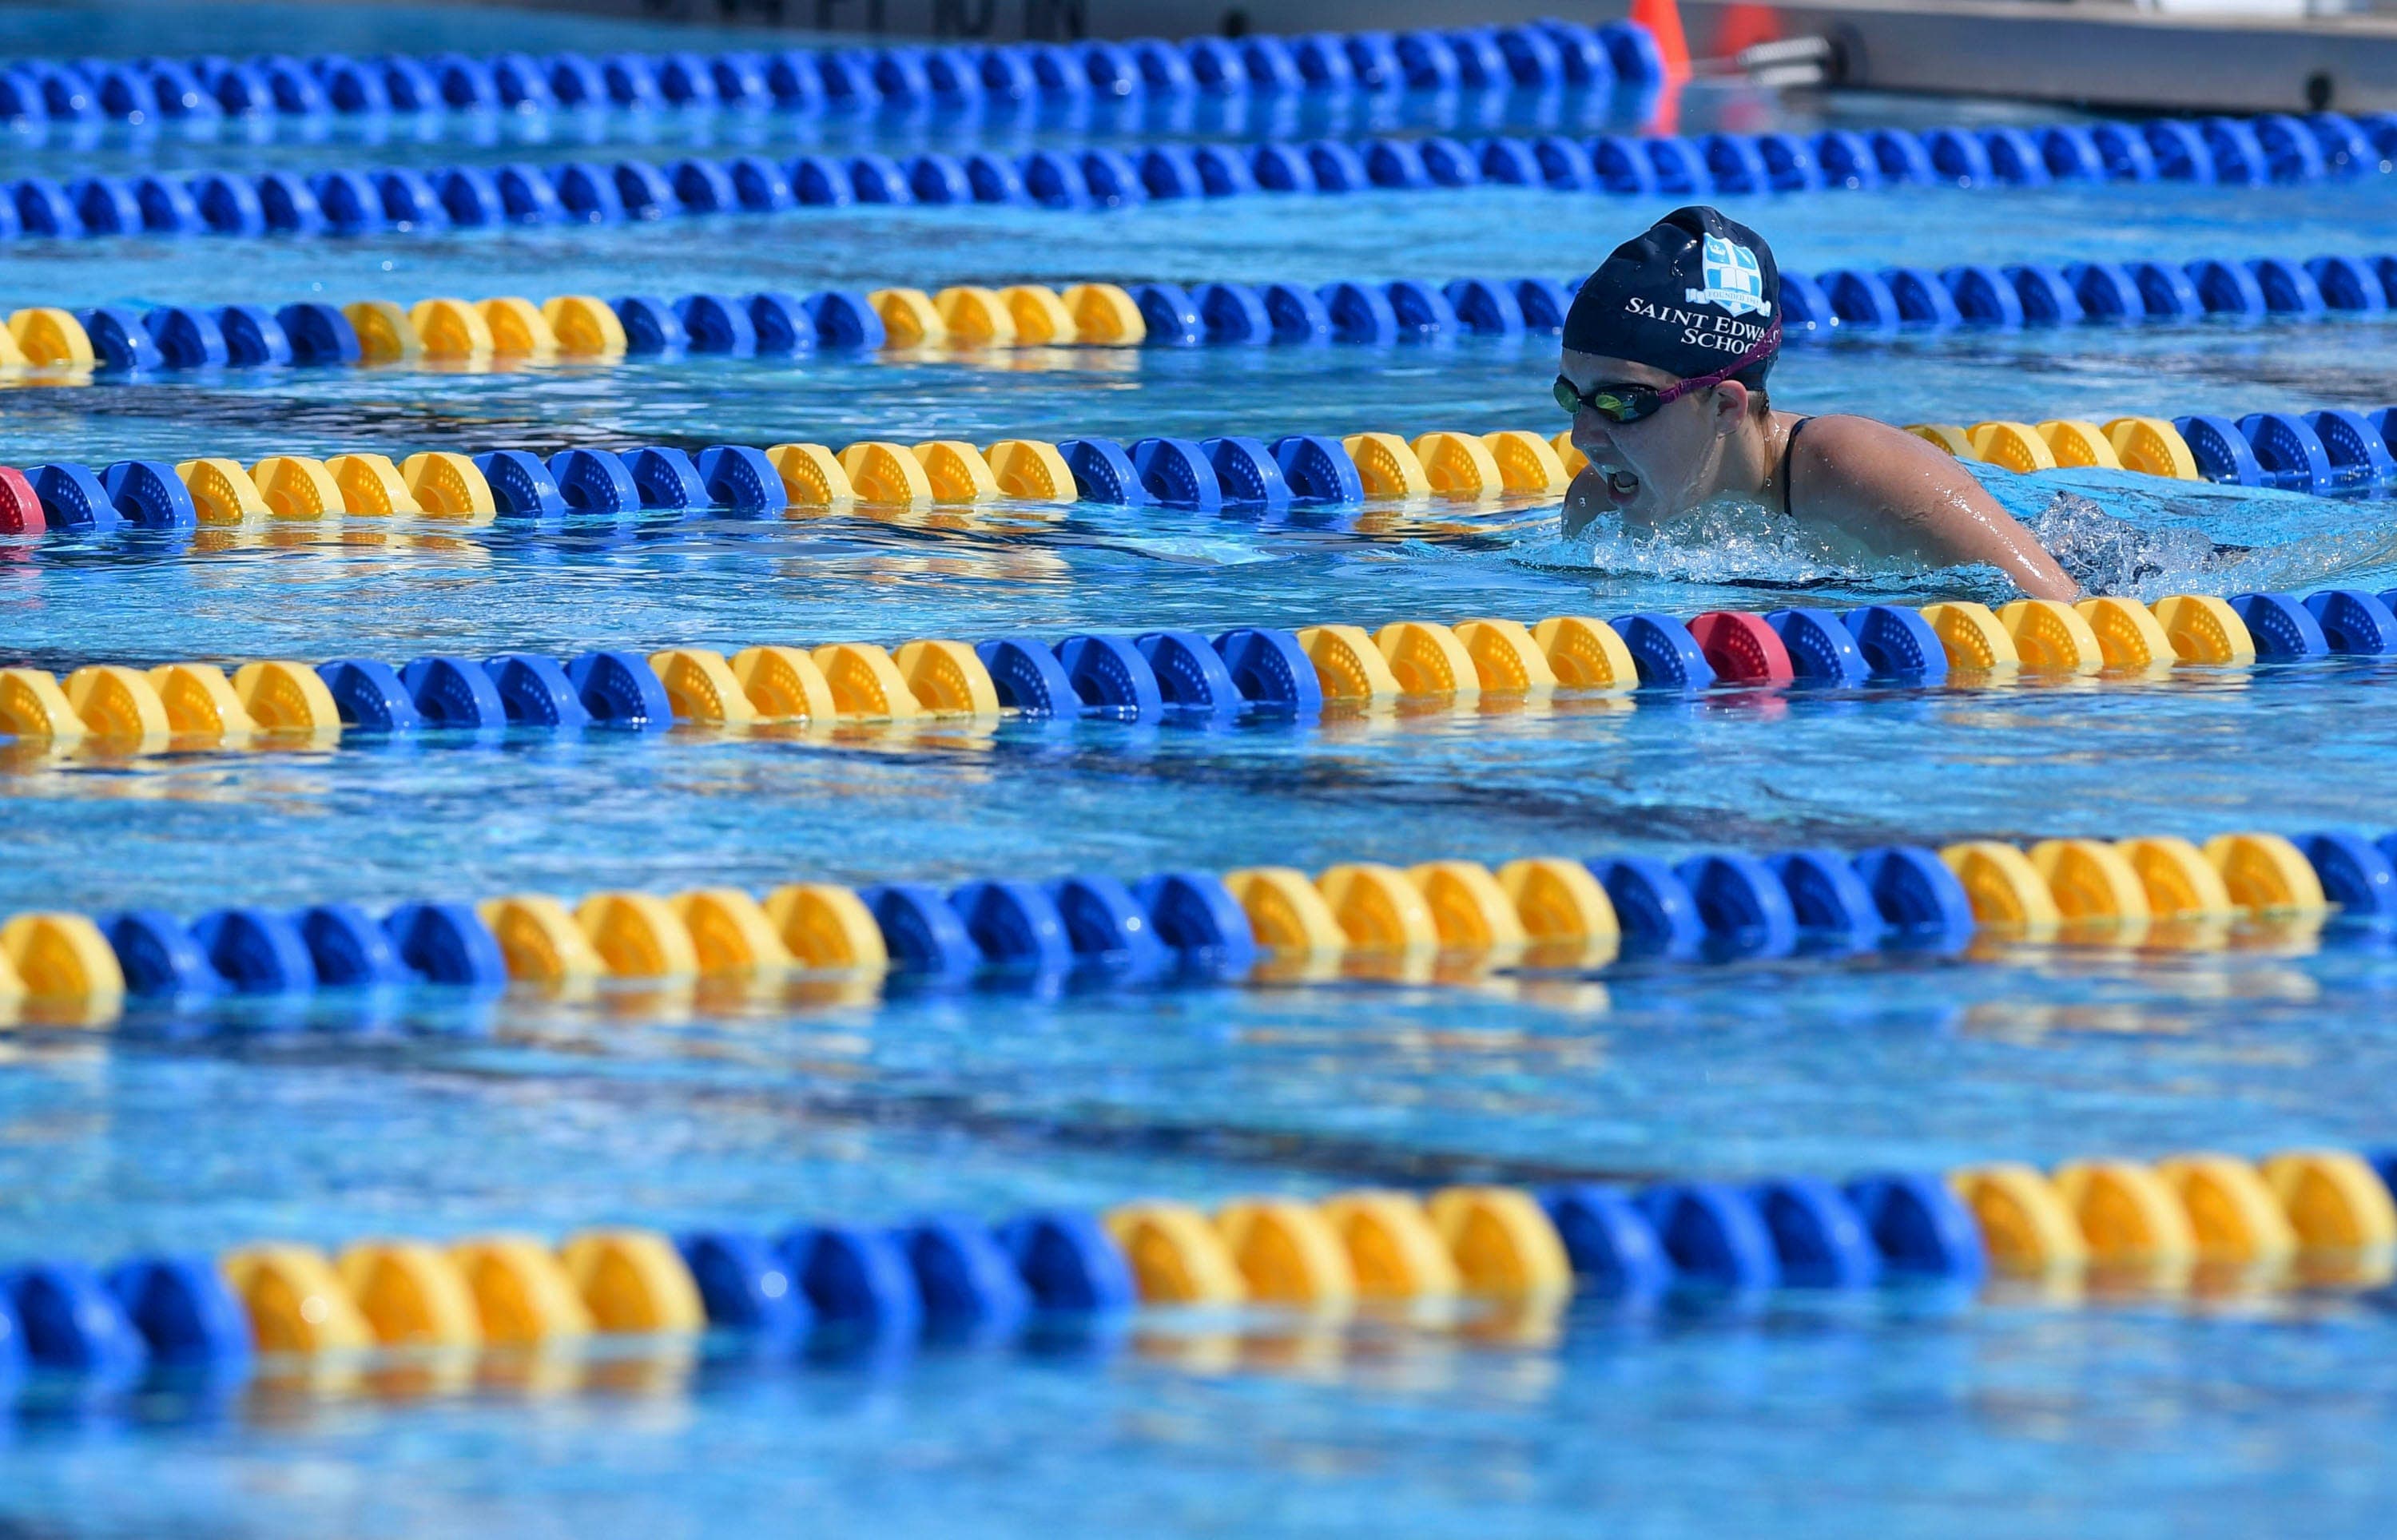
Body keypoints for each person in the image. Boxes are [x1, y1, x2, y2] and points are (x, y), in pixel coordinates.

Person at [1554, 205, 2081, 601]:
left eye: (1622, 403)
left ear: (1725, 408)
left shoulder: (1866, 474)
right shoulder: (1595, 511)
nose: (1583, 435)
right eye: (1571, 397)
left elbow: (2065, 615)